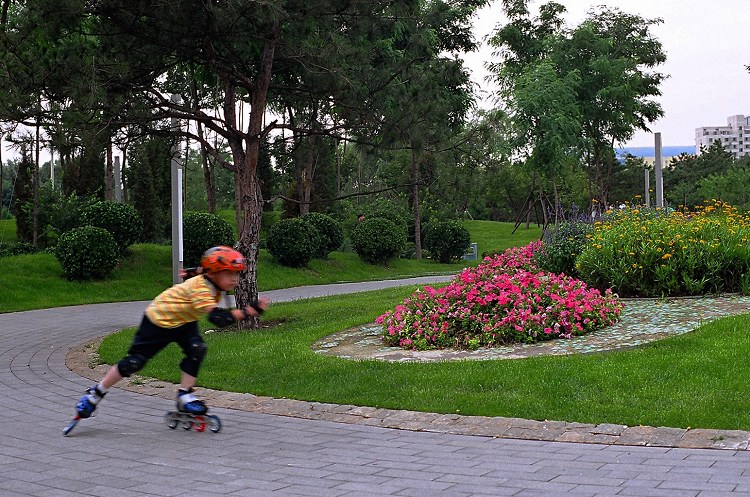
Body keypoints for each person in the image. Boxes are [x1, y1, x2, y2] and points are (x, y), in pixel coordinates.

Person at [74, 246, 269, 419]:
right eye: (229, 274)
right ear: (214, 273)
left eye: (237, 274)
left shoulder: (211, 280)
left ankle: (185, 395)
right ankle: (95, 394)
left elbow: (202, 270)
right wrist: (249, 311)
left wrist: (192, 270)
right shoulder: (202, 289)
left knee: (197, 349)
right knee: (134, 363)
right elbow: (218, 319)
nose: (235, 280)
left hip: (183, 321)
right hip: (158, 320)